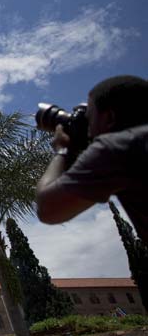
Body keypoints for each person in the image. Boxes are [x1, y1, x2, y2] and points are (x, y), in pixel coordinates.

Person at [36, 75, 148, 240]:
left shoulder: (118, 147)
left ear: (109, 118)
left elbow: (48, 209)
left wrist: (63, 150)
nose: (88, 130)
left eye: (88, 118)